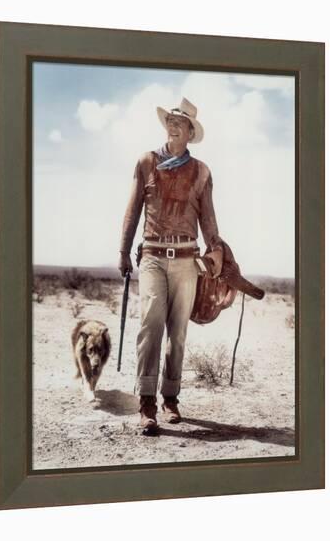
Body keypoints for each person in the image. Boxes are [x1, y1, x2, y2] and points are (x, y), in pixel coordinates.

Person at [118, 97, 224, 435]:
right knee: (151, 327)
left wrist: (217, 250)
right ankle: (147, 401)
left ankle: (171, 397)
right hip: (151, 256)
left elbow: (208, 217)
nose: (174, 123)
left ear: (191, 133)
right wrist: (123, 251)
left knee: (177, 332)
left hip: (186, 260)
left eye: (182, 121)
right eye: (171, 119)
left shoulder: (201, 171)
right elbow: (133, 209)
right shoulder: (146, 162)